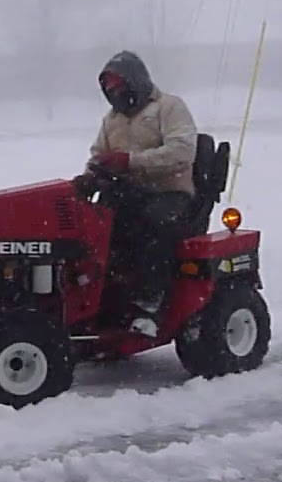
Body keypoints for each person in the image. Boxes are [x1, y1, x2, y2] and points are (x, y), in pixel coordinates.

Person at [77, 50, 198, 337]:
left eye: (119, 86)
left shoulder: (169, 107)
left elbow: (182, 151)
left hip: (169, 193)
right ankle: (99, 298)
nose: (114, 93)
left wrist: (130, 161)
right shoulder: (111, 120)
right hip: (128, 193)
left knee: (152, 223)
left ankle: (149, 305)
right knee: (93, 228)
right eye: (109, 89)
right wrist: (89, 177)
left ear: (135, 81)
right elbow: (98, 154)